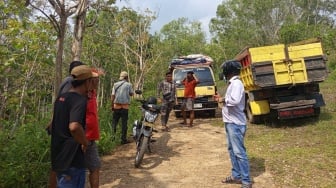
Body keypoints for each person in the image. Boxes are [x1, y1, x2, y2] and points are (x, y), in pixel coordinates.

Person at [50, 65, 94, 188]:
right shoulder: (79, 101)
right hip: (72, 159)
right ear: (87, 82)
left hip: (58, 155)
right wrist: (85, 142)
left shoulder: (60, 98)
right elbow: (74, 126)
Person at [214, 60, 252, 188]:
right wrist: (222, 99)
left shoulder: (236, 84)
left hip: (235, 124)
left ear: (227, 71)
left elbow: (234, 101)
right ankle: (236, 175)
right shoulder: (232, 84)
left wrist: (222, 99)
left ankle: (246, 181)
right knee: (232, 150)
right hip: (230, 122)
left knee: (239, 152)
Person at [47, 60, 84, 188]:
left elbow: (60, 102)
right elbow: (73, 124)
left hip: (60, 127)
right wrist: (84, 141)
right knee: (64, 166)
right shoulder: (71, 85)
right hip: (67, 130)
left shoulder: (64, 82)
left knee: (58, 164)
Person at [85, 68, 104, 188]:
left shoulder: (92, 93)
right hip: (82, 138)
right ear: (88, 81)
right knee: (77, 170)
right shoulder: (81, 95)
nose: (97, 82)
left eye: (98, 79)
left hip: (90, 138)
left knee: (95, 166)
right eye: (95, 80)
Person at [111, 71, 134, 144]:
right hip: (125, 107)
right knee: (124, 123)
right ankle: (123, 139)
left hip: (116, 106)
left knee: (114, 123)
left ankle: (112, 138)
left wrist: (112, 105)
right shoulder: (129, 85)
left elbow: (112, 96)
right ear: (126, 77)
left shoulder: (115, 84)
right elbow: (131, 94)